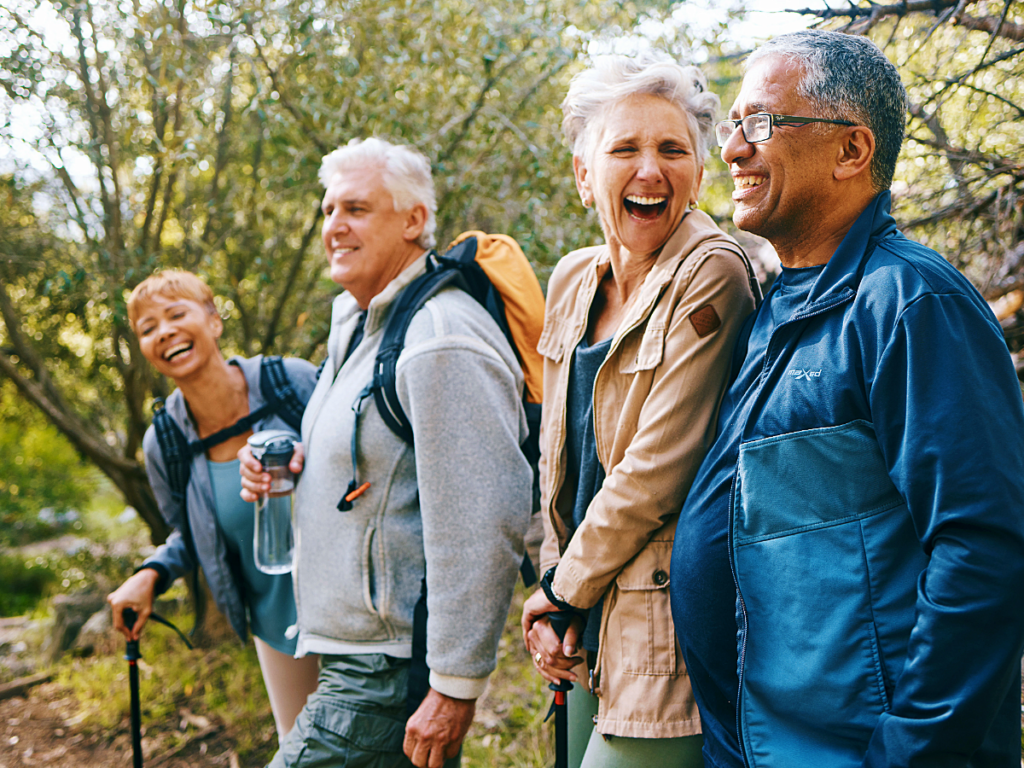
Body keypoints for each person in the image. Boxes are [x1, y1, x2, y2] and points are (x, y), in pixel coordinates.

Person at [670, 29, 1024, 768]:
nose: (732, 149)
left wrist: (909, 753)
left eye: (761, 123)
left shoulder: (909, 301)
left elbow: (984, 548)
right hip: (759, 745)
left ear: (851, 151)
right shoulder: (776, 307)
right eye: (734, 126)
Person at [239, 137, 533, 768]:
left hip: (385, 672)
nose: (334, 227)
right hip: (350, 654)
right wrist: (297, 460)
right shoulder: (360, 323)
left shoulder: (438, 336)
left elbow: (485, 518)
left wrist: (453, 687)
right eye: (327, 211)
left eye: (356, 209)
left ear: (414, 220)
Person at [519, 52, 758, 768]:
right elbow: (556, 459)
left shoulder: (712, 272)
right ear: (583, 175)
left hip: (663, 630)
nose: (650, 170)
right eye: (623, 149)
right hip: (582, 607)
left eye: (672, 149)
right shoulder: (569, 280)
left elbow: (657, 471)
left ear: (700, 173)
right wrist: (555, 594)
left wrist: (559, 590)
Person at [106, 269, 321, 740]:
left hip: (353, 607)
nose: (164, 332)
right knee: (303, 750)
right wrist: (151, 574)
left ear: (214, 321)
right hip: (276, 626)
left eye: (176, 315)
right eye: (148, 328)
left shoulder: (291, 382)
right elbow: (191, 533)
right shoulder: (165, 441)